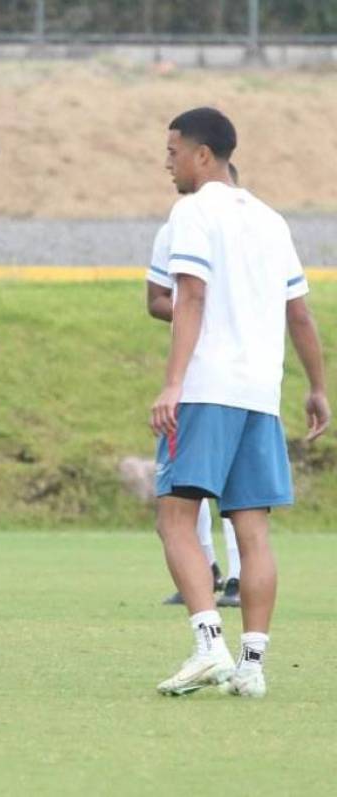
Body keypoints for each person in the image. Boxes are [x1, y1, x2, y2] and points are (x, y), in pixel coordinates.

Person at [149, 107, 329, 698]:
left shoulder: (193, 211)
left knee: (175, 515)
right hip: (260, 396)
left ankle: (208, 647)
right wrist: (317, 388)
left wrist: (174, 383)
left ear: (203, 155)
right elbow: (298, 312)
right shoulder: (271, 220)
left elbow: (190, 296)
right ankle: (252, 665)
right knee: (252, 529)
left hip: (207, 388)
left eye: (173, 150)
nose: (167, 160)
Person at [147, 162, 243, 609]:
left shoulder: (256, 229)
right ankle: (206, 568)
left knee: (240, 491)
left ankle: (239, 580)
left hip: (245, 379)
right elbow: (158, 299)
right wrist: (202, 315)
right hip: (198, 377)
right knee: (189, 484)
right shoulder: (178, 226)